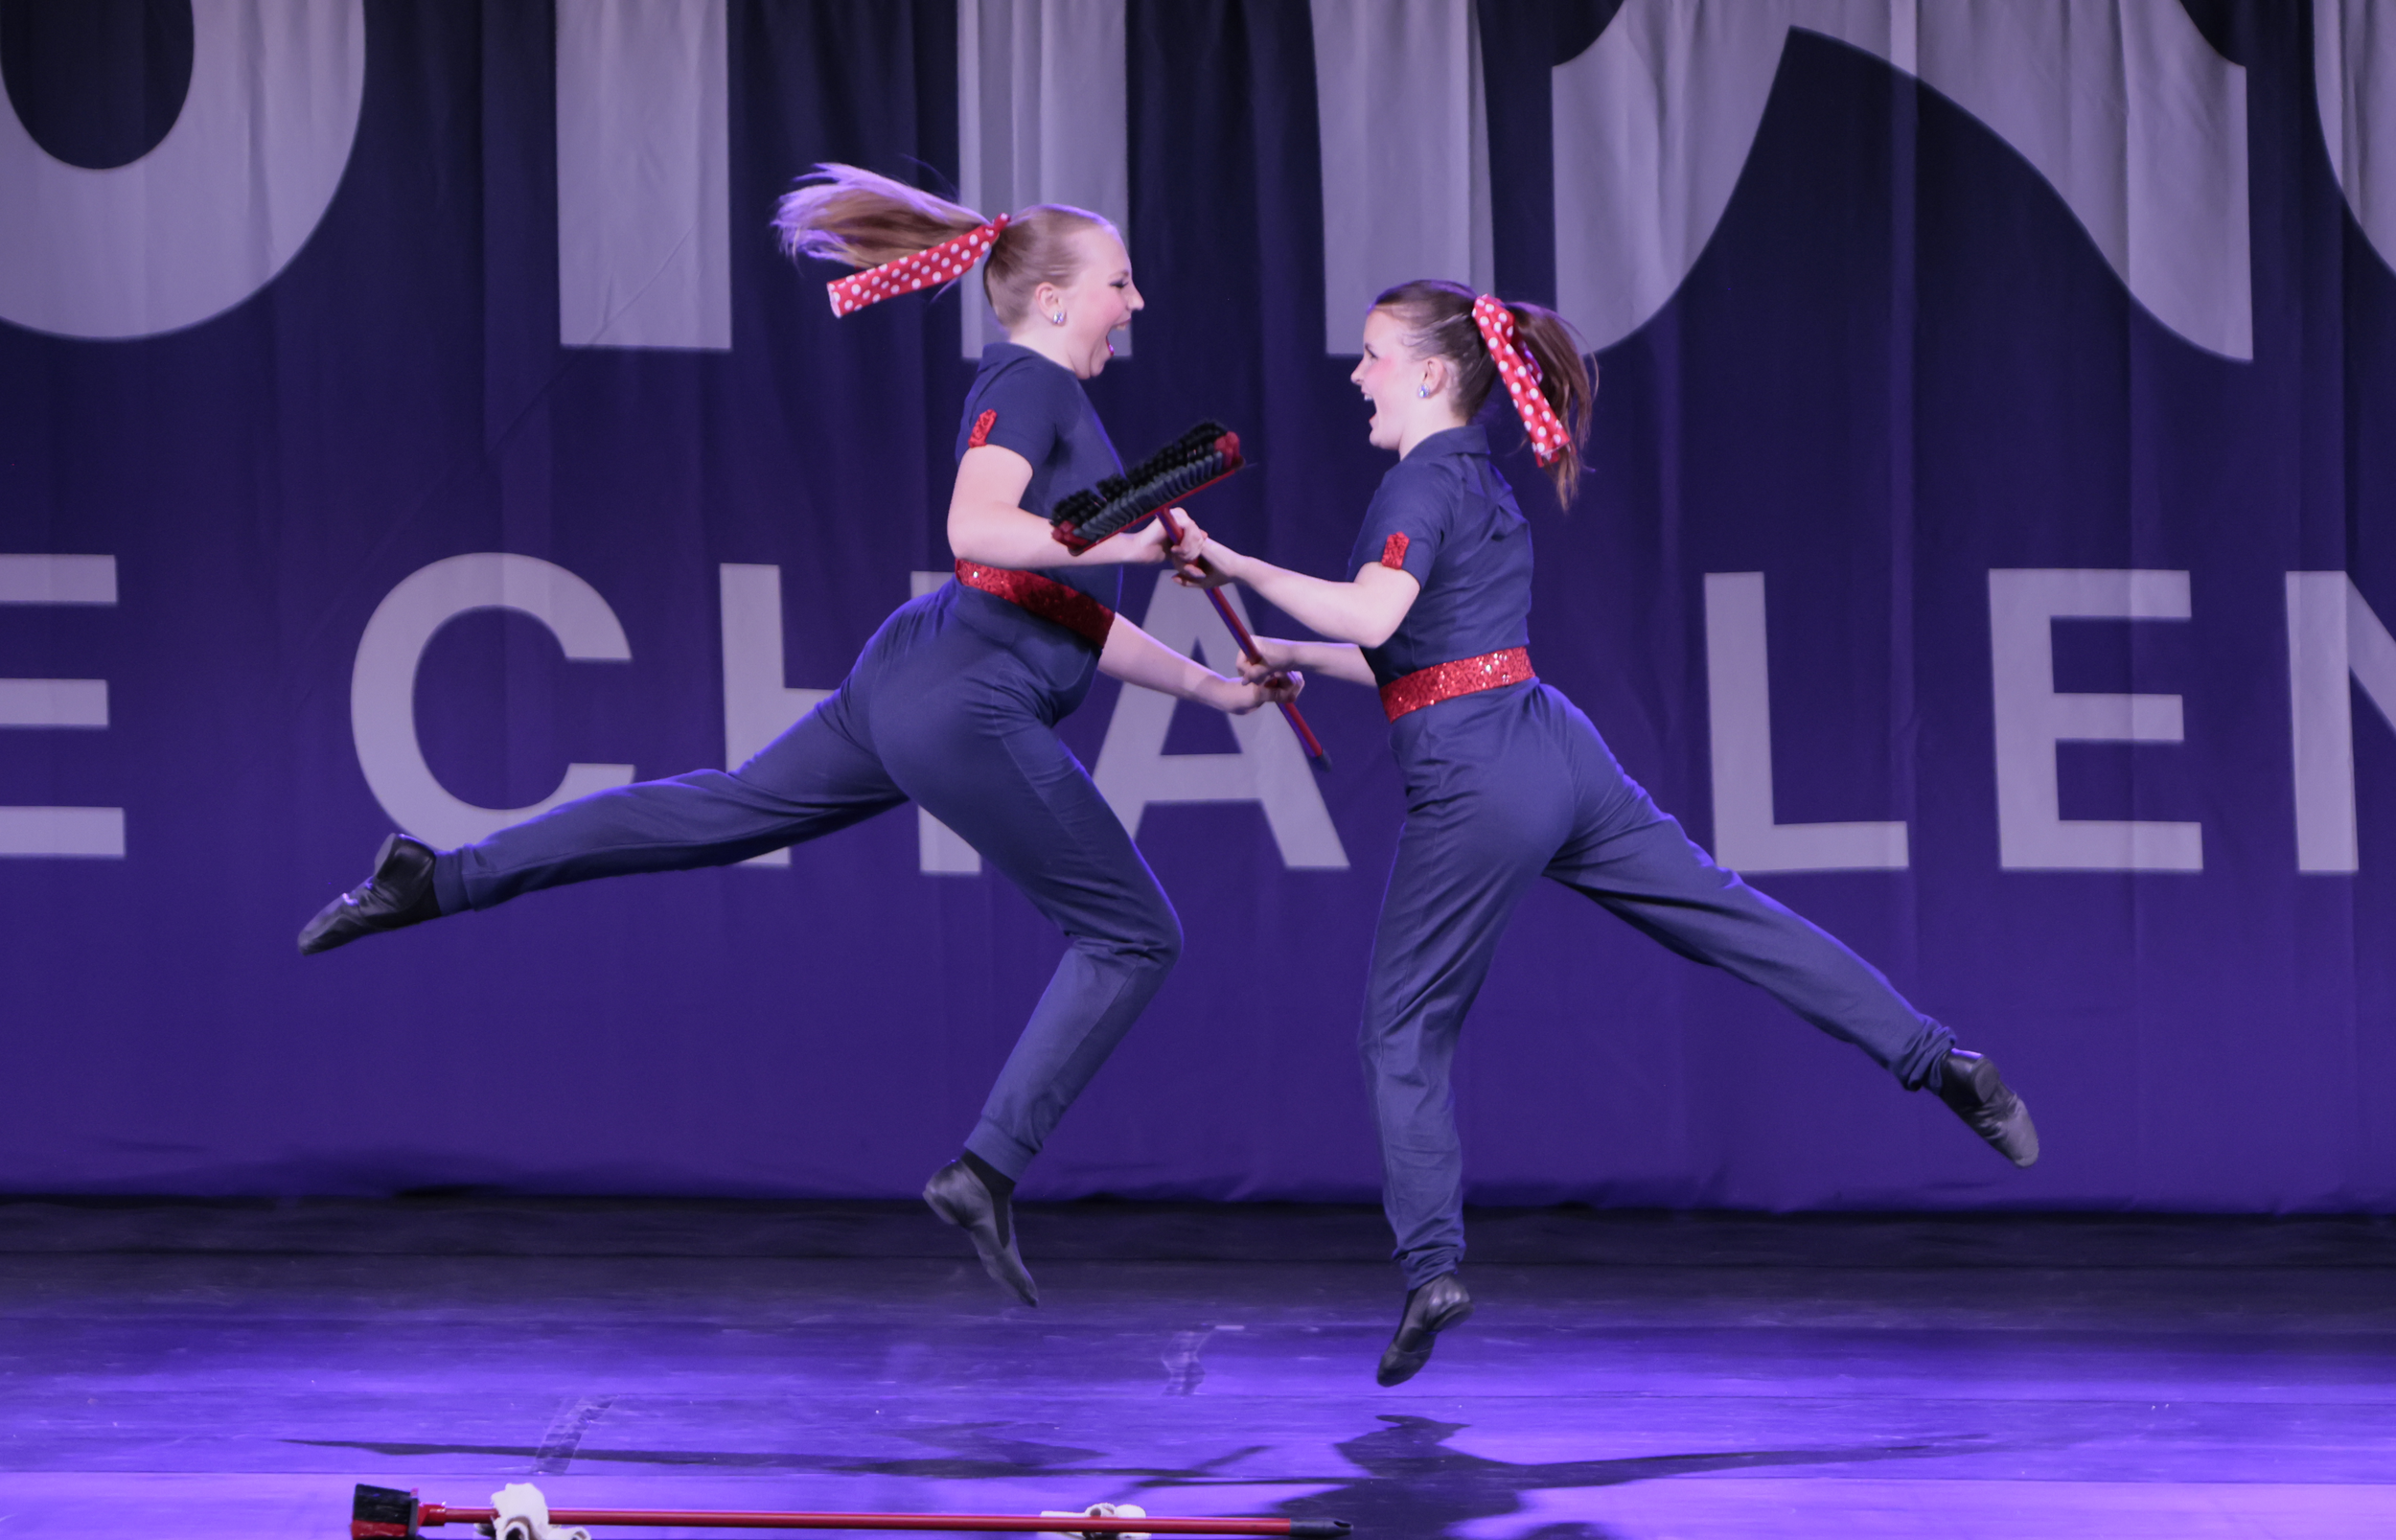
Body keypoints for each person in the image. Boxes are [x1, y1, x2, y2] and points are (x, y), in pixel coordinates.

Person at [298, 166, 1300, 1307]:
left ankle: (438, 878)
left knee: (719, 810)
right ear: (1055, 298)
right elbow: (976, 526)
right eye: (1119, 282)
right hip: (964, 700)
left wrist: (1214, 689)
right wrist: (1128, 543)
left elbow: (1058, 602)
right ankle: (984, 1167)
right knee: (1133, 935)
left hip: (921, 667)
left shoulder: (1045, 394)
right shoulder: (1031, 383)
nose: (1135, 302)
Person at [1172, 280, 2035, 1387]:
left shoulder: (1418, 481)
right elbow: (1424, 655)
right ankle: (1938, 1059)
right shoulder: (1477, 479)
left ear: (1430, 373)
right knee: (1730, 916)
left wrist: (1238, 565)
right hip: (1549, 745)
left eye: (1374, 355)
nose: (1358, 375)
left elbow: (1376, 612)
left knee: (1400, 1031)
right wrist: (1297, 656)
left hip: (1478, 778)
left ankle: (1431, 1264)